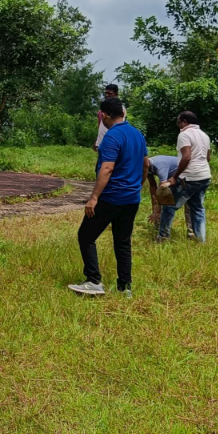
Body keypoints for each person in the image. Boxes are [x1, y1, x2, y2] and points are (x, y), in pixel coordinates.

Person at [70, 97, 147, 299]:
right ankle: (125, 287)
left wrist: (94, 197)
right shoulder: (138, 134)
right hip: (132, 199)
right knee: (122, 242)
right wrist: (138, 185)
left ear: (104, 115)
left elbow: (107, 168)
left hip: (112, 197)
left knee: (86, 236)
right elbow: (145, 164)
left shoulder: (112, 137)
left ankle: (93, 280)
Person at [156, 111, 212, 242]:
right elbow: (208, 157)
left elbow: (186, 157)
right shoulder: (204, 135)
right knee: (198, 209)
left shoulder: (184, 134)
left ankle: (163, 238)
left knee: (169, 205)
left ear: (185, 122)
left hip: (190, 178)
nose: (178, 125)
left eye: (178, 122)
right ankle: (201, 240)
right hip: (204, 176)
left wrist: (174, 177)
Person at [145, 154, 197, 238]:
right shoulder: (146, 167)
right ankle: (160, 228)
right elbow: (153, 187)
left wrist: (157, 211)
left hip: (190, 175)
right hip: (175, 178)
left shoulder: (159, 166)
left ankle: (192, 234)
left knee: (188, 205)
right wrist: (154, 208)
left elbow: (163, 189)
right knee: (165, 204)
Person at [93, 84, 126, 151]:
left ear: (116, 94)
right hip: (102, 141)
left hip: (111, 141)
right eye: (106, 93)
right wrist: (97, 140)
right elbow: (101, 126)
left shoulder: (119, 108)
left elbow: (119, 124)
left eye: (110, 93)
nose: (107, 95)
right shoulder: (103, 110)